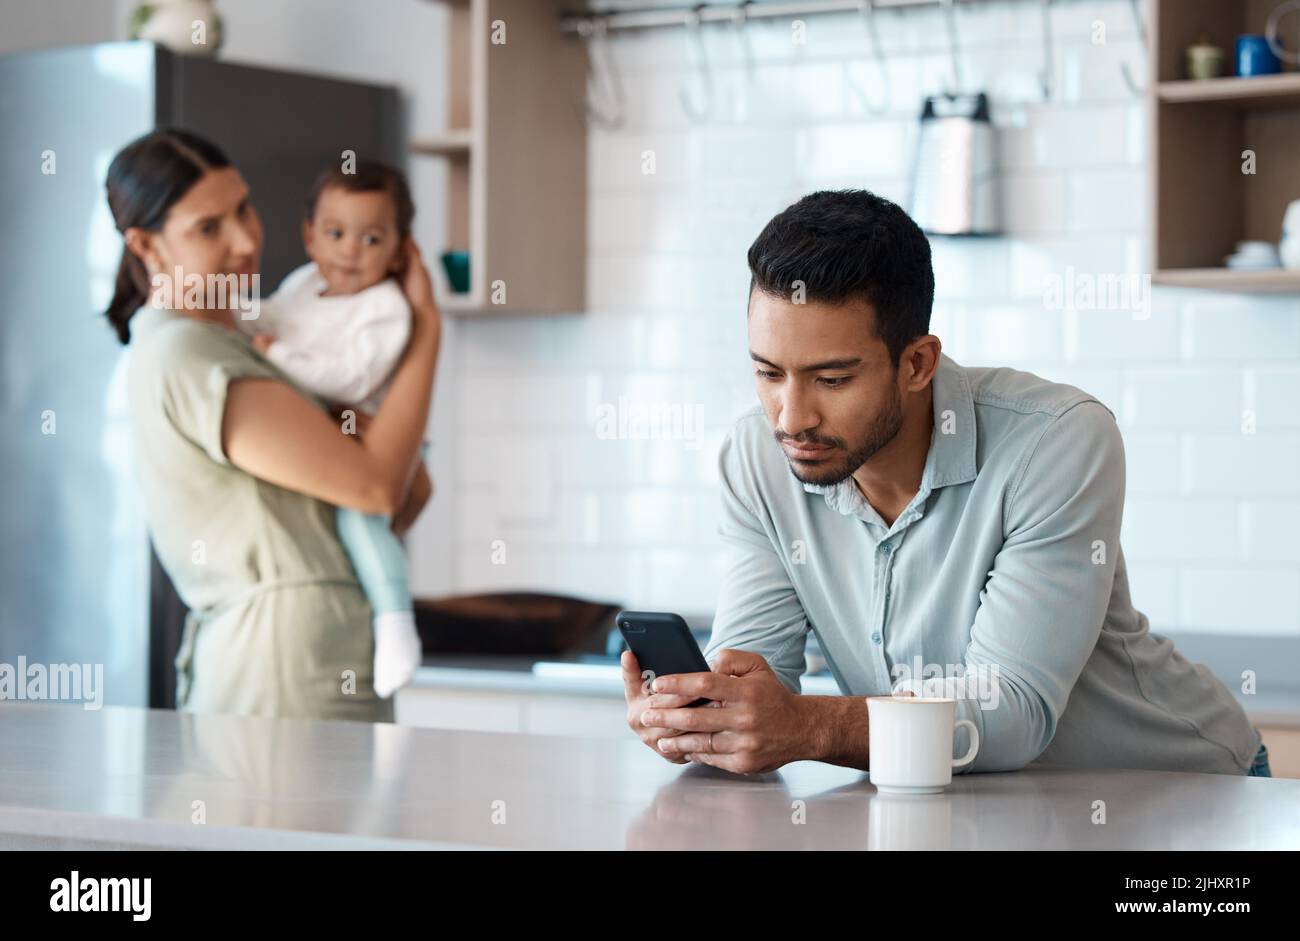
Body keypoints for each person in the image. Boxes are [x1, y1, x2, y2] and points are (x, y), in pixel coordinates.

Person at [623, 189, 1269, 778]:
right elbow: (757, 669)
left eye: (832, 379)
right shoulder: (756, 459)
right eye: (768, 373)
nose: (791, 417)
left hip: (1180, 799)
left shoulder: (1060, 442)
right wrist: (703, 719)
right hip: (982, 816)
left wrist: (808, 724)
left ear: (916, 363)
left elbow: (1011, 710)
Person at [104, 128, 440, 721]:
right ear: (147, 246)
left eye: (244, 209)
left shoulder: (245, 338)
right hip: (281, 666)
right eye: (209, 228)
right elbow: (378, 485)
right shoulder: (190, 353)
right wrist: (427, 330)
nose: (245, 240)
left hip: (320, 652)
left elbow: (402, 497)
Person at [241, 161, 425, 698]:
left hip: (373, 441)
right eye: (336, 233)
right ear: (309, 237)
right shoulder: (303, 286)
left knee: (362, 522)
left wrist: (278, 357)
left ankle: (395, 623)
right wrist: (232, 318)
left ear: (399, 250)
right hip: (324, 437)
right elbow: (267, 315)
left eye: (371, 238)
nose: (350, 251)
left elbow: (351, 378)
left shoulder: (386, 308)